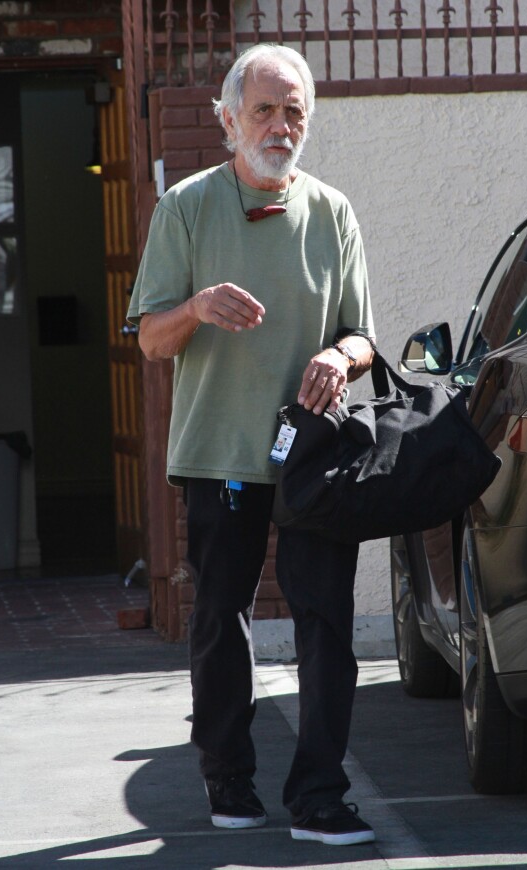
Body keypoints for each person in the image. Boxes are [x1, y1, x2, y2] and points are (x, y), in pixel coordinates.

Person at [127, 43, 377, 847]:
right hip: (221, 455)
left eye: (294, 110)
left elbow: (363, 335)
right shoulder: (187, 209)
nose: (280, 125)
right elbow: (151, 341)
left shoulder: (334, 211)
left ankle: (319, 796)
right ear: (229, 119)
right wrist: (196, 305)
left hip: (312, 458)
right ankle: (229, 780)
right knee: (220, 618)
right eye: (264, 110)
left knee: (325, 623)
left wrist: (340, 357)